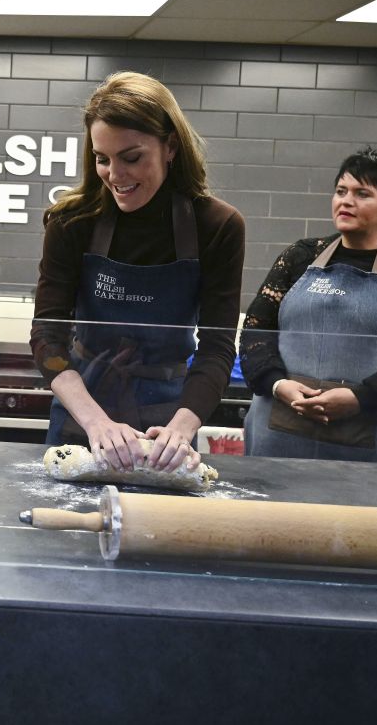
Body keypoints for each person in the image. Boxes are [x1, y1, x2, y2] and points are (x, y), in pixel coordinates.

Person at [32, 71, 245, 473]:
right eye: (102, 159)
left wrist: (181, 428)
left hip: (168, 416)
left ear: (171, 147)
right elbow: (48, 338)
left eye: (131, 158)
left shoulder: (217, 227)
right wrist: (96, 423)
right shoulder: (72, 222)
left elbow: (217, 348)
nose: (115, 175)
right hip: (83, 411)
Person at [240, 147, 377, 465]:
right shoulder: (299, 256)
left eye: (362, 193)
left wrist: (362, 399)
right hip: (286, 436)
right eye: (341, 191)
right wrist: (277, 383)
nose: (346, 201)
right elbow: (256, 332)